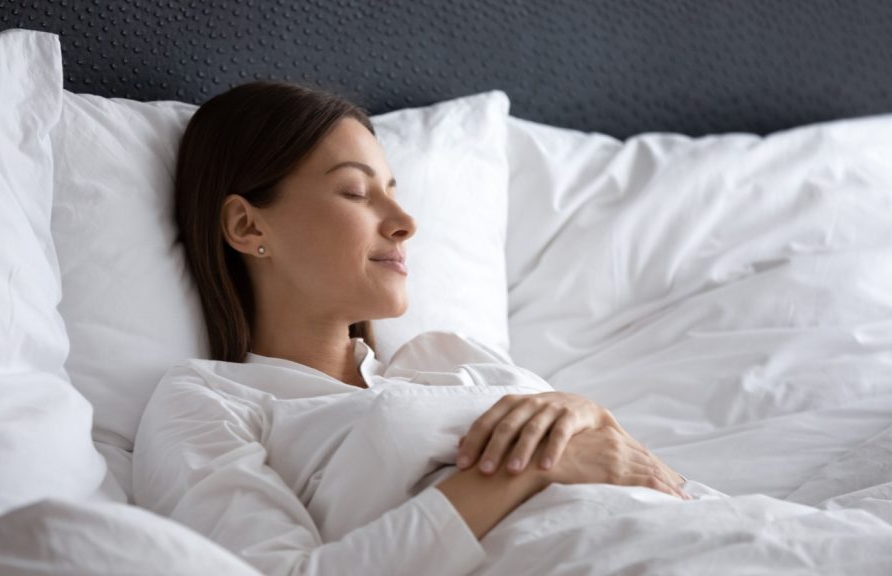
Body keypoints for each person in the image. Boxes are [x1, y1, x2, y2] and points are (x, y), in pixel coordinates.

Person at [132, 81, 690, 576]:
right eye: (356, 192)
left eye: (394, 192)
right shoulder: (208, 402)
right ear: (247, 224)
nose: (405, 223)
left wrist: (586, 412)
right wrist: (531, 468)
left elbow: (657, 482)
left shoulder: (447, 355)